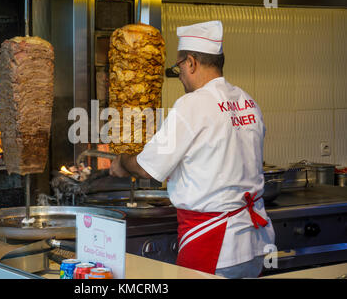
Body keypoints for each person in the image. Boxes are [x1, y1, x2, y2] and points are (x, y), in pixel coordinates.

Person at [109, 20, 275, 278]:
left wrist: (121, 163)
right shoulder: (247, 101)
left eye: (179, 68)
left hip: (214, 242)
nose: (181, 77)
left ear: (191, 62)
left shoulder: (192, 105)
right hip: (255, 243)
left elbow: (147, 168)